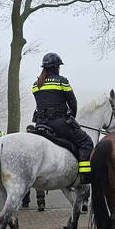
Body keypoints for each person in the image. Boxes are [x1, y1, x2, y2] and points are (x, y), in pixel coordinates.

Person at [31, 52, 94, 185]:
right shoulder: (62, 81)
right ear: (56, 67)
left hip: (40, 124)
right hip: (58, 123)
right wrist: (71, 119)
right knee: (86, 142)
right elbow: (72, 102)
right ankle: (84, 176)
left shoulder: (36, 84)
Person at [21, 123, 48, 212]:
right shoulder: (36, 140)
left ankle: (40, 203)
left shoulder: (30, 140)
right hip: (31, 166)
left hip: (35, 166)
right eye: (28, 131)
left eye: (29, 131)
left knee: (35, 185)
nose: (28, 133)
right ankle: (32, 202)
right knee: (29, 185)